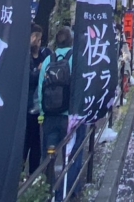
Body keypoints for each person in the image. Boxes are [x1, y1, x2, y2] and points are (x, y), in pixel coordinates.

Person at [38, 27, 74, 198]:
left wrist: (42, 113)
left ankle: (48, 191)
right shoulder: (74, 59)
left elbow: (41, 88)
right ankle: (66, 191)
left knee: (49, 155)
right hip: (69, 117)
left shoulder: (47, 60)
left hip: (49, 116)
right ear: (71, 41)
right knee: (70, 155)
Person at [24, 24, 50, 174]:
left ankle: (33, 175)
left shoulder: (44, 54)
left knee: (36, 145)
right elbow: (26, 78)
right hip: (26, 108)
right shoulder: (24, 56)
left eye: (40, 39)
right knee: (24, 144)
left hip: (40, 108)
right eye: (37, 38)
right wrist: (38, 71)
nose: (39, 42)